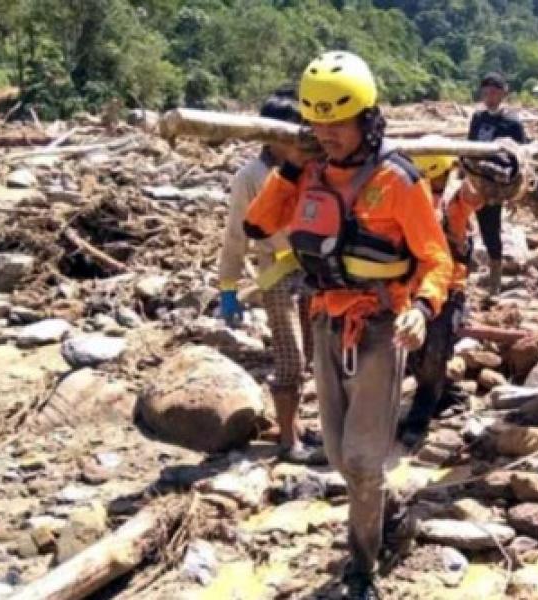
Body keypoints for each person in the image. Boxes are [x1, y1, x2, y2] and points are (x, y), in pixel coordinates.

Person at [243, 51, 453, 599]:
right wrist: (290, 165)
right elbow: (257, 223)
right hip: (326, 321)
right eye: (317, 122)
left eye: (337, 121)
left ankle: (362, 568)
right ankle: (391, 516)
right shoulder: (307, 172)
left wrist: (422, 309)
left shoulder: (398, 179)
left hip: (382, 325)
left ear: (366, 118)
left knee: (362, 458)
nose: (327, 133)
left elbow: (437, 259)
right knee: (338, 456)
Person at [217, 89, 314, 463]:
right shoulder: (250, 176)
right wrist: (228, 286)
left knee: (312, 355)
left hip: (313, 273)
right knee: (291, 356)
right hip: (277, 274)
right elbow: (236, 234)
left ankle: (297, 424)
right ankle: (288, 441)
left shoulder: (310, 169)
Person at [398, 155, 482, 445]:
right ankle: (439, 391)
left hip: (447, 290)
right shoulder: (404, 196)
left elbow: (476, 193)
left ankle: (420, 416)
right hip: (407, 290)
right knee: (410, 353)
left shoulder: (455, 199)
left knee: (434, 352)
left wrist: (476, 168)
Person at [467, 72, 527, 294]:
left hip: (496, 183)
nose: (489, 96)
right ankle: (463, 269)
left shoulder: (512, 122)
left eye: (494, 92)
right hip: (475, 178)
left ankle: (495, 276)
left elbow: (521, 157)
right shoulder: (478, 118)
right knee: (464, 224)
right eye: (486, 92)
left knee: (491, 227)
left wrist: (516, 191)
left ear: (503, 93)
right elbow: (469, 145)